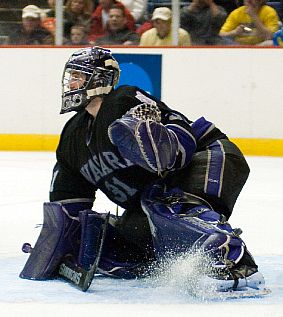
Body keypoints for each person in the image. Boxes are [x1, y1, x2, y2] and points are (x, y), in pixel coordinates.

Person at [20, 46, 265, 293]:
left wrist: (159, 144)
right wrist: (62, 246)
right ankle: (190, 239)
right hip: (155, 195)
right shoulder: (72, 138)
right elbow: (67, 209)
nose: (71, 83)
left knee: (167, 206)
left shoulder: (123, 100)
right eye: (70, 77)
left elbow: (182, 140)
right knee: (123, 241)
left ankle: (235, 264)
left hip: (210, 156)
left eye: (78, 76)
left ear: (100, 79)